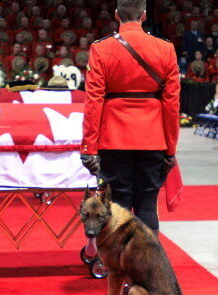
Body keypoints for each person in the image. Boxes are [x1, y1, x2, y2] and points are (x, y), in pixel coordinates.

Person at [80, 0, 180, 235]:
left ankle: (118, 265)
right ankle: (147, 264)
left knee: (118, 203)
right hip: (152, 138)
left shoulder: (101, 48)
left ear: (116, 15)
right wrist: (170, 148)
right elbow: (172, 104)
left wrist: (89, 147)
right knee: (147, 203)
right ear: (144, 15)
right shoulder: (165, 48)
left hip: (114, 137)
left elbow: (93, 101)